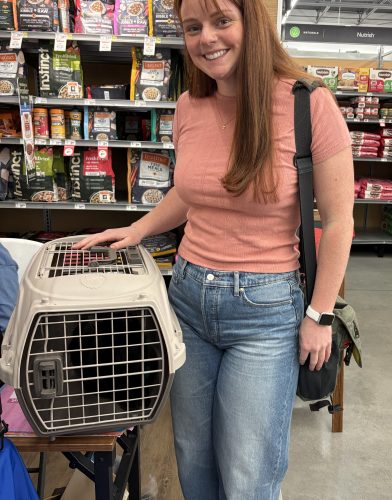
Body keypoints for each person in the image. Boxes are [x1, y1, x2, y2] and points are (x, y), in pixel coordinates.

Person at [73, 0, 354, 497]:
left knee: (248, 473)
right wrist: (138, 230)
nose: (206, 38)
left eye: (222, 20)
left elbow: (338, 222)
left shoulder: (308, 103)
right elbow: (191, 192)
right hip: (186, 300)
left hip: (265, 312)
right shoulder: (188, 105)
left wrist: (320, 314)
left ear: (252, 23)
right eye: (193, 27)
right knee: (193, 457)